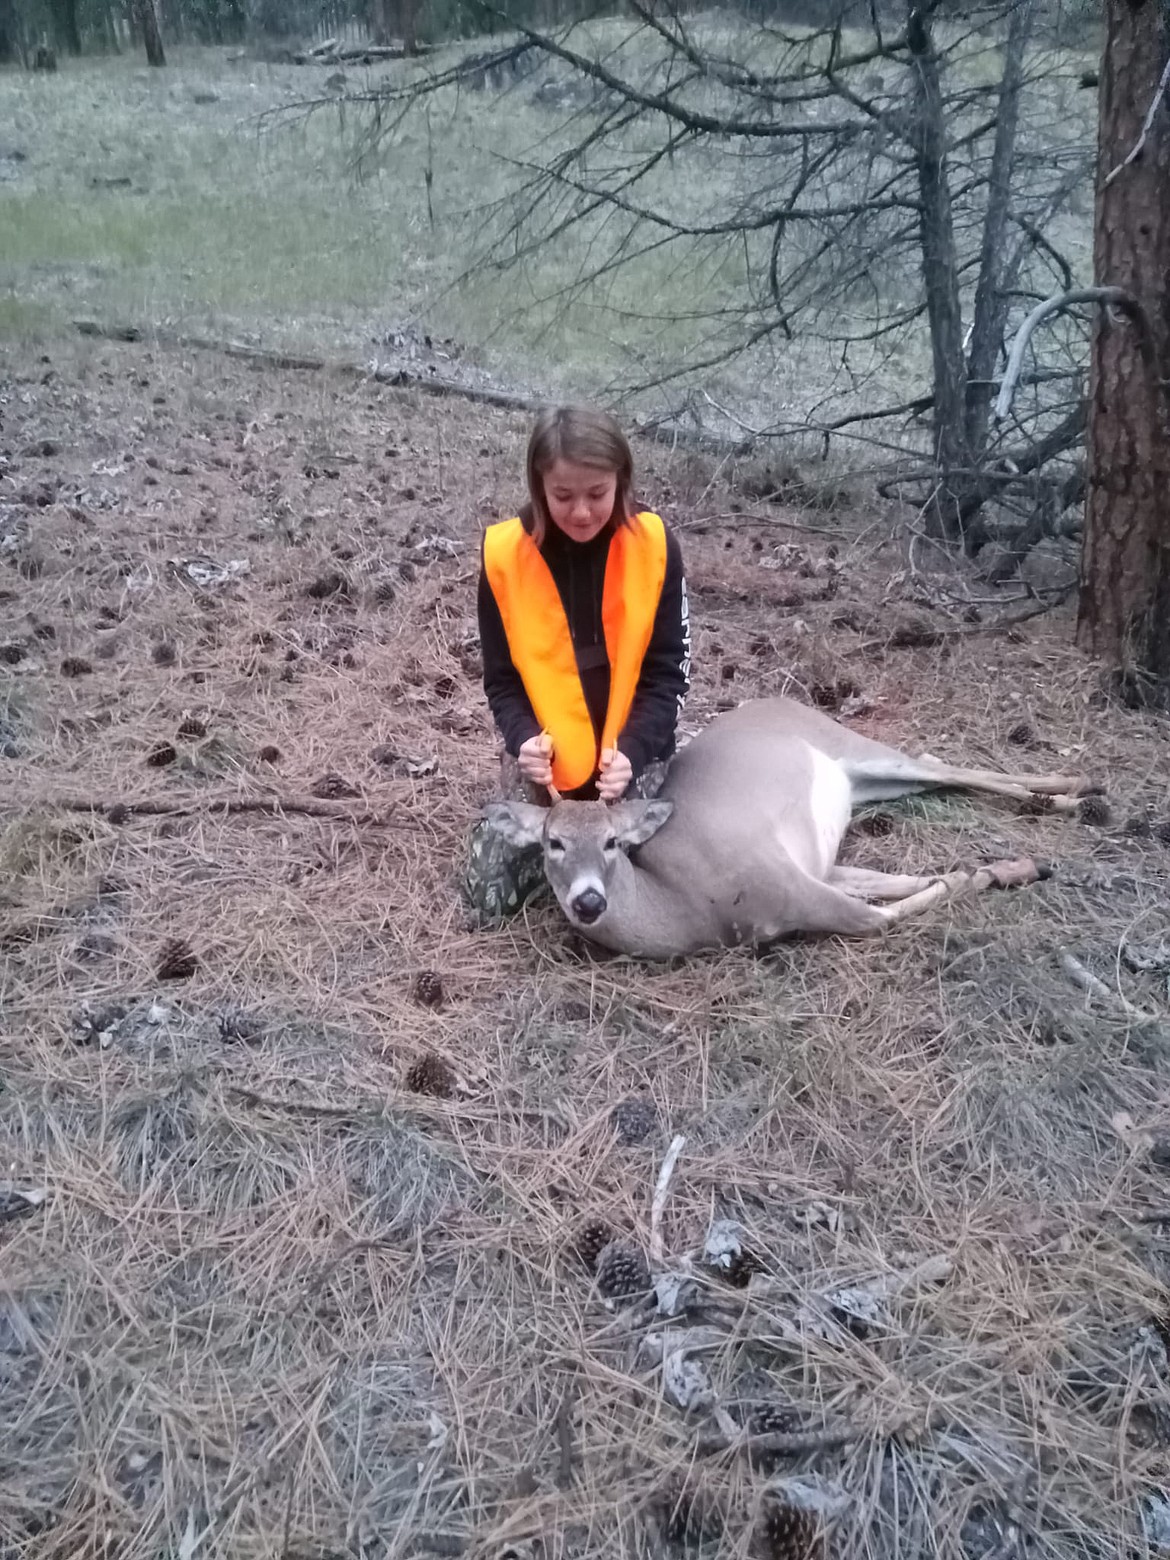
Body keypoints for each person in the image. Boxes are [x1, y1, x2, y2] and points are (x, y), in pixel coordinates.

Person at [463, 405, 691, 923]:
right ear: (539, 486)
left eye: (598, 494)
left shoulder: (654, 548)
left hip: (628, 761)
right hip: (547, 772)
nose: (582, 512)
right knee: (487, 901)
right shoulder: (504, 557)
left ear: (622, 482)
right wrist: (523, 740)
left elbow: (668, 675)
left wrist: (633, 752)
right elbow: (501, 682)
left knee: (662, 883)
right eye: (563, 496)